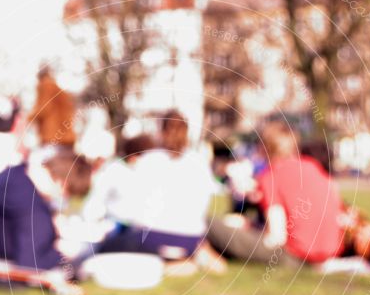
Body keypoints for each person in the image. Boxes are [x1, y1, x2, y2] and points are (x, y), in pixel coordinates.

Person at [208, 120, 344, 266]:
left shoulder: (271, 177)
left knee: (208, 223)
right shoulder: (313, 167)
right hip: (330, 252)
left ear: (264, 147)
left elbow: (277, 237)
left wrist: (248, 229)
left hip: (297, 257)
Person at [97, 111, 217, 261]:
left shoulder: (148, 160)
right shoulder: (199, 162)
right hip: (190, 240)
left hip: (151, 238)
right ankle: (188, 258)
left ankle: (169, 260)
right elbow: (204, 205)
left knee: (106, 246)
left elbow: (133, 205)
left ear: (161, 131)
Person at [0, 149, 91, 272]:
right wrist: (63, 254)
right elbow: (31, 265)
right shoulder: (34, 211)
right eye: (68, 194)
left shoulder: (16, 173)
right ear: (62, 184)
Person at [27, 67, 76, 149]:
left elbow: (44, 108)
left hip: (52, 136)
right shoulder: (58, 89)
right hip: (67, 137)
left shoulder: (46, 85)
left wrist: (29, 118)